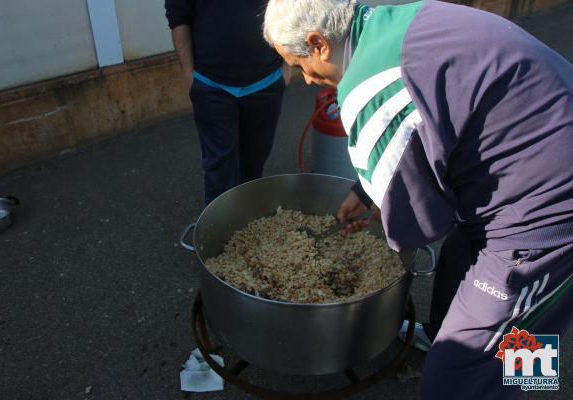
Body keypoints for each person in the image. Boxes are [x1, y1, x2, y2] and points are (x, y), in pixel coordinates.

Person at [263, 0, 573, 398]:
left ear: (318, 43)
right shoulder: (395, 20)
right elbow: (430, 124)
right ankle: (522, 381)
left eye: (298, 63)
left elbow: (425, 223)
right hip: (524, 161)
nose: (303, 78)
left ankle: (512, 386)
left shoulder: (367, 89)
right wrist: (368, 190)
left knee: (455, 376)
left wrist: (388, 205)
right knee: (477, 277)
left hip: (547, 214)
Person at [165, 0, 290, 205]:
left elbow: (291, 8)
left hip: (266, 82)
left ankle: (247, 224)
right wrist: (191, 77)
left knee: (254, 162)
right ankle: (218, 231)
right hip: (212, 86)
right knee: (219, 167)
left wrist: (286, 69)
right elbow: (178, 18)